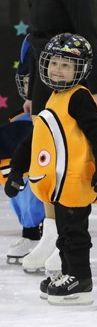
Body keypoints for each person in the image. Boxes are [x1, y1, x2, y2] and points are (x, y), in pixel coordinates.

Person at [14, 0, 97, 275]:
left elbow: (87, 35)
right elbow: (35, 38)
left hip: (70, 82)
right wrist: (31, 91)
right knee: (45, 156)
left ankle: (67, 240)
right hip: (44, 81)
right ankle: (50, 236)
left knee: (67, 159)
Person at [4, 33, 97, 306]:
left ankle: (80, 278)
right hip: (59, 184)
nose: (57, 69)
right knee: (64, 232)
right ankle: (68, 272)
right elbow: (35, 139)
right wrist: (17, 170)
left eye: (66, 65)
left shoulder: (79, 98)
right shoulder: (54, 98)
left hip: (76, 182)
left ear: (80, 69)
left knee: (75, 233)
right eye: (54, 62)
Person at [1, 37, 45, 267]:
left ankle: (51, 236)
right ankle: (30, 233)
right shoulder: (18, 124)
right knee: (22, 182)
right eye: (26, 81)